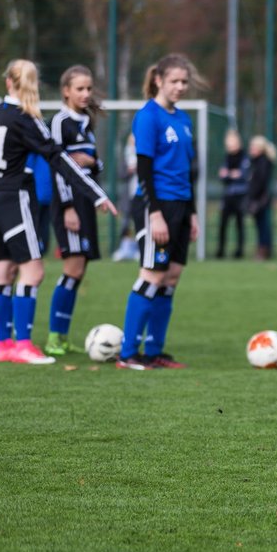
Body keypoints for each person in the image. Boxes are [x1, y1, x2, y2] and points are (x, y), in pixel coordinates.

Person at [0, 59, 116, 365]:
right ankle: (24, 345)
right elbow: (58, 159)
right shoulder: (26, 119)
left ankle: (3, 345)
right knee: (34, 272)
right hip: (15, 198)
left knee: (3, 272)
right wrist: (96, 194)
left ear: (8, 83)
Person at [117, 53, 204, 370]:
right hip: (156, 205)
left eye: (185, 82)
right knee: (152, 274)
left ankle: (154, 351)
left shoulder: (183, 119)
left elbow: (187, 170)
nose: (181, 87)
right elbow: (144, 169)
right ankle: (128, 354)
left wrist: (192, 213)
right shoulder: (148, 116)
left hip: (181, 204)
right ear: (159, 80)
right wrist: (154, 213)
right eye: (175, 81)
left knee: (172, 277)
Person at [44, 65, 107, 356]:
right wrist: (68, 206)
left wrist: (92, 164)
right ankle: (54, 336)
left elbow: (96, 163)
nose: (85, 94)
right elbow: (59, 168)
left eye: (88, 88)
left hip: (86, 202)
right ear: (66, 91)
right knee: (72, 267)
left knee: (80, 269)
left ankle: (63, 337)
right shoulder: (60, 122)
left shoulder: (86, 121)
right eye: (79, 88)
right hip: (67, 202)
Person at [215, 128, 249, 259]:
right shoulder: (227, 158)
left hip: (240, 195)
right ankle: (221, 250)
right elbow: (223, 175)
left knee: (239, 224)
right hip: (228, 195)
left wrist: (230, 175)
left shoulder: (243, 157)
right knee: (223, 223)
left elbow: (242, 175)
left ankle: (239, 250)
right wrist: (231, 175)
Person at [111, 132, 140, 261]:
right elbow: (121, 174)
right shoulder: (126, 155)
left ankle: (139, 249)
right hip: (128, 196)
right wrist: (129, 170)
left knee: (140, 223)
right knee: (126, 222)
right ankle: (125, 247)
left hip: (142, 194)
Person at [246, 134, 276, 260]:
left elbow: (260, 182)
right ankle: (263, 249)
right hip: (258, 198)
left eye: (253, 146)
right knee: (261, 225)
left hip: (260, 199)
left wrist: (253, 196)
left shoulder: (263, 162)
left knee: (263, 225)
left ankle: (263, 250)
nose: (251, 149)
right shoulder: (256, 162)